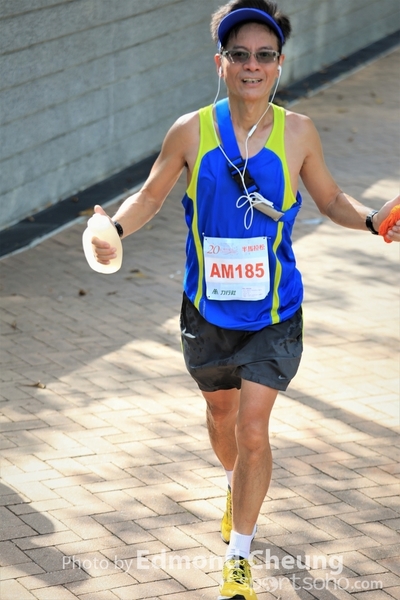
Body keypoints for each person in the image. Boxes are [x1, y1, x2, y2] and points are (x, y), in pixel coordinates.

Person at [90, 1, 400, 598]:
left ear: (279, 64)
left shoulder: (299, 132)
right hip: (207, 309)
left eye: (264, 55)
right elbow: (150, 195)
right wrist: (115, 230)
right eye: (239, 54)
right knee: (222, 418)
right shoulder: (190, 130)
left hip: (274, 311)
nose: (252, 65)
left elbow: (330, 199)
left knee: (254, 429)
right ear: (221, 63)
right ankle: (235, 483)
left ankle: (239, 556)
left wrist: (371, 220)